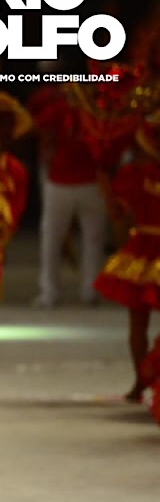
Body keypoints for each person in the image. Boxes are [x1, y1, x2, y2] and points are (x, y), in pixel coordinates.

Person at [94, 121, 160, 401]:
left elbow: (119, 217)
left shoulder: (132, 175)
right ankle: (147, 378)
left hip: (142, 251)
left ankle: (141, 381)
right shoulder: (133, 174)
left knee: (137, 324)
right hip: (144, 248)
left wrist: (106, 186)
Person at [28, 82, 109, 308]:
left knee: (57, 239)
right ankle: (82, 289)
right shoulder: (93, 108)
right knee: (85, 239)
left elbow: (36, 126)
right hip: (72, 180)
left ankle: (56, 291)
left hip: (74, 181)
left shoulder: (69, 106)